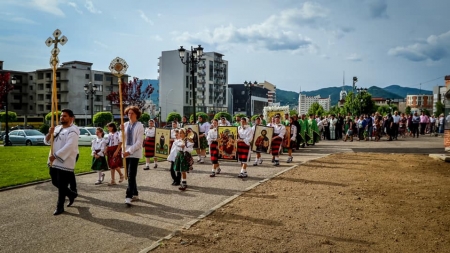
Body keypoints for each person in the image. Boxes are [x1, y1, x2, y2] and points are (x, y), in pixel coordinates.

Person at [44, 109, 79, 215]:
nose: (62, 117)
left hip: (65, 160)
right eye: (61, 116)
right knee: (55, 181)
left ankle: (60, 207)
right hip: (53, 160)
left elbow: (70, 146)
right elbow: (47, 142)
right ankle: (71, 194)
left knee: (62, 183)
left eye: (65, 116)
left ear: (71, 118)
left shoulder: (74, 130)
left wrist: (56, 155)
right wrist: (49, 134)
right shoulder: (57, 128)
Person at [122, 106, 145, 206]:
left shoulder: (140, 126)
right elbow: (122, 139)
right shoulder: (125, 124)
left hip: (134, 153)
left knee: (131, 174)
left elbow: (139, 142)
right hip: (126, 152)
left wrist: (130, 151)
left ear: (136, 114)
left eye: (132, 113)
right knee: (129, 174)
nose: (129, 115)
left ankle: (128, 196)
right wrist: (121, 131)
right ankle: (135, 193)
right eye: (128, 113)